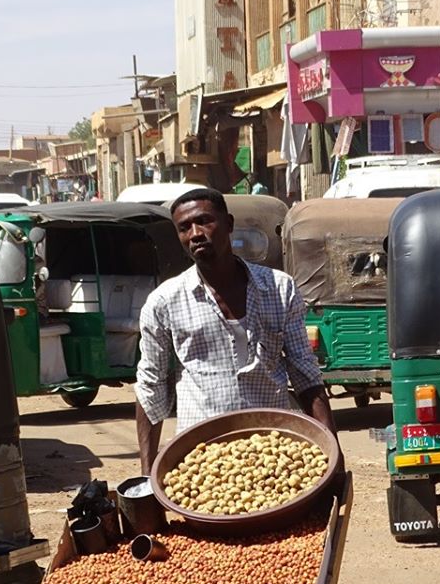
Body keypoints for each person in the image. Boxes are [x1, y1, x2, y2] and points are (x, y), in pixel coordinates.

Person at [134, 187, 336, 473]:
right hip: (202, 460)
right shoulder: (163, 302)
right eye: (184, 228)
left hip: (273, 454)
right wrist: (146, 477)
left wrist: (333, 457)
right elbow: (151, 390)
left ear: (228, 224)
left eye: (204, 221)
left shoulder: (279, 288)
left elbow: (306, 377)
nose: (195, 234)